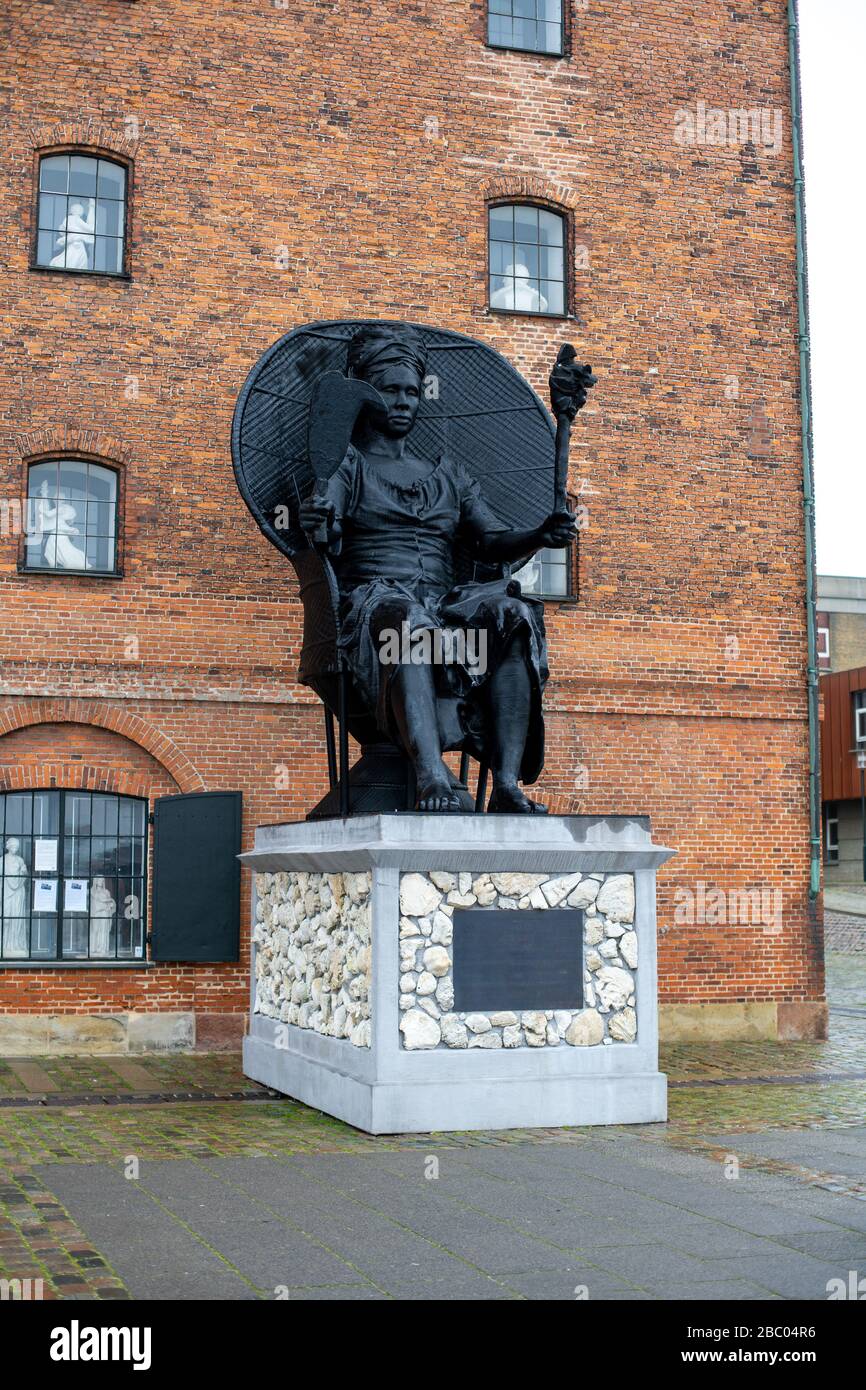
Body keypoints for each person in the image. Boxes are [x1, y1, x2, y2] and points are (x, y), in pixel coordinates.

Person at [299, 325, 576, 813]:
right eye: (390, 391)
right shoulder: (347, 467)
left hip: (447, 604)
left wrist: (541, 532)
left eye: (412, 391)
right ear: (365, 395)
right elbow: (326, 527)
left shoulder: (450, 474)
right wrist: (320, 521)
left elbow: (491, 540)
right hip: (375, 603)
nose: (404, 401)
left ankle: (507, 785)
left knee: (517, 617)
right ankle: (430, 777)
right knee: (409, 624)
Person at [49, 198, 95, 270]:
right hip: (77, 246)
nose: (81, 211)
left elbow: (62, 229)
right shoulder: (75, 219)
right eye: (80, 209)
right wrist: (91, 208)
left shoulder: (69, 219)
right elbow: (90, 228)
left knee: (74, 260)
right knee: (75, 260)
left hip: (75, 245)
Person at [2, 837, 29, 957]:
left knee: (16, 920)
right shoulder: (2, 861)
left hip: (18, 894)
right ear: (8, 846)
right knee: (6, 919)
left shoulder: (20, 860)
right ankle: (4, 944)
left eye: (17, 847)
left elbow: (24, 878)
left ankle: (15, 944)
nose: (15, 849)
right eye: (13, 846)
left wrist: (24, 873)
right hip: (6, 893)